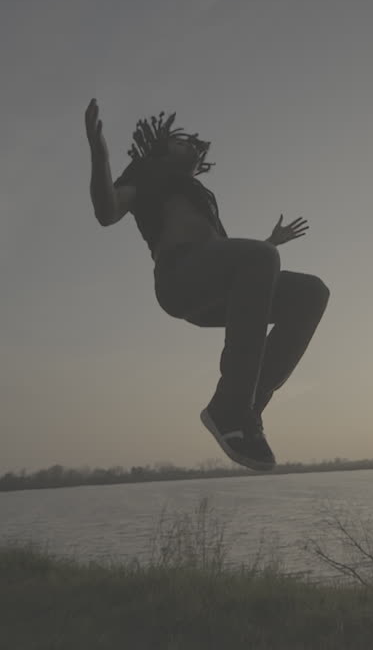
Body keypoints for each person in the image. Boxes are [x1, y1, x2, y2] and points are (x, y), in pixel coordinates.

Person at [85, 98, 329, 471]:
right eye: (182, 141)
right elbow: (107, 212)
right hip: (179, 279)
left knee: (311, 293)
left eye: (195, 149)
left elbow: (231, 256)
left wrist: (270, 243)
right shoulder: (145, 173)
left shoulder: (202, 195)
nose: (191, 148)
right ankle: (230, 405)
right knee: (259, 259)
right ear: (161, 147)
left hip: (219, 284)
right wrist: (100, 159)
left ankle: (247, 409)